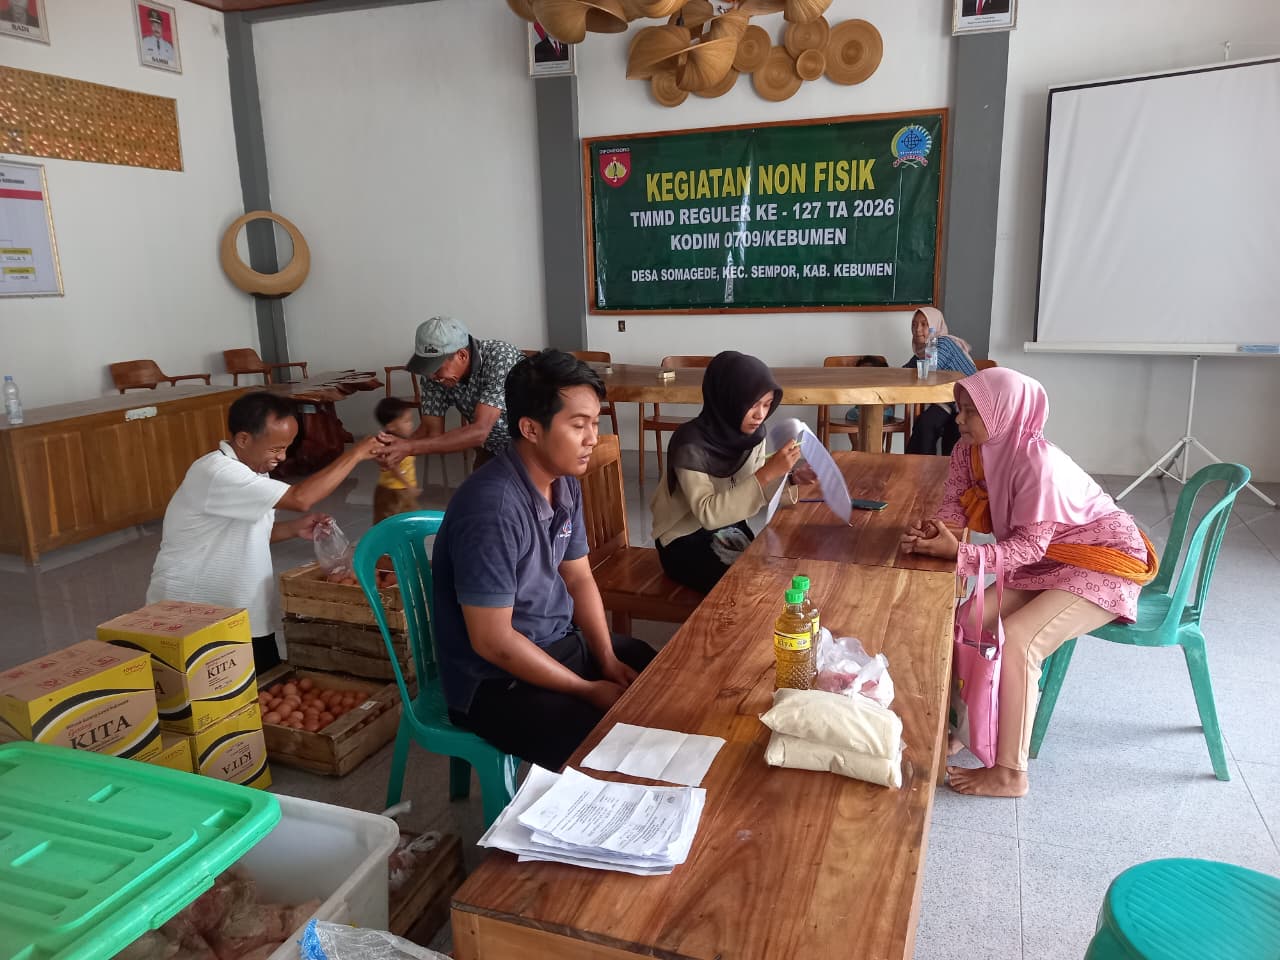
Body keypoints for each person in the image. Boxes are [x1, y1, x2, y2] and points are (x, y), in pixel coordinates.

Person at [900, 368, 1157, 799]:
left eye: (970, 412)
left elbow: (1027, 549)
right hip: (1050, 560)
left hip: (1103, 563)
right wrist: (935, 535)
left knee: (1019, 641)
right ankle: (966, 727)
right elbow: (953, 510)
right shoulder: (969, 450)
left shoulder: (1038, 463)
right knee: (967, 618)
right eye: (960, 409)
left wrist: (959, 554)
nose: (958, 419)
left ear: (1003, 413)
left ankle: (1010, 773)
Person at [431, 350, 656, 769]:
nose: (592, 438)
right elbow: (493, 642)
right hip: (495, 680)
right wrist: (586, 689)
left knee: (652, 669)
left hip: (555, 643)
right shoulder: (493, 509)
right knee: (604, 745)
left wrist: (606, 660)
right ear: (531, 429)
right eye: (578, 425)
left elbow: (579, 579)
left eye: (595, 423)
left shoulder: (563, 483)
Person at [148, 392, 385, 673]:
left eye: (286, 448)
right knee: (212, 693)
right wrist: (355, 454)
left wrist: (293, 529)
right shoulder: (217, 472)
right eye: (275, 449)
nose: (282, 457)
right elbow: (300, 498)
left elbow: (245, 533)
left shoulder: (253, 469)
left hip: (242, 610)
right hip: (196, 611)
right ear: (244, 439)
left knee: (263, 683)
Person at [650, 351, 816, 595]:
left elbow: (753, 483)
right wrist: (767, 473)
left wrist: (790, 477)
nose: (760, 415)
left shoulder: (753, 436)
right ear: (728, 399)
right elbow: (708, 513)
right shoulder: (690, 444)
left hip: (729, 526)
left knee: (775, 570)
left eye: (767, 404)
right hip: (683, 539)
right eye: (753, 405)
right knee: (747, 586)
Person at [378, 316, 524, 473]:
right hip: (494, 447)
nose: (432, 376)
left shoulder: (499, 358)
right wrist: (396, 446)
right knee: (479, 487)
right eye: (427, 367)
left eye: (436, 368)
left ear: (462, 355)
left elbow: (480, 431)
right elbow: (430, 431)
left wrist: (409, 447)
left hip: (530, 444)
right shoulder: (433, 377)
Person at [903, 307, 977, 456]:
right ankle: (919, 467)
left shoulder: (943, 343)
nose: (917, 329)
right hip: (949, 400)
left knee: (931, 424)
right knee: (926, 424)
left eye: (924, 324)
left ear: (934, 325)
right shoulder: (923, 351)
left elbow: (928, 372)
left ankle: (924, 466)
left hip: (971, 402)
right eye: (914, 324)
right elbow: (905, 372)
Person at [372, 397, 422, 524]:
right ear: (391, 426)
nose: (411, 424)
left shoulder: (403, 441)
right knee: (400, 522)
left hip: (398, 489)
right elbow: (394, 467)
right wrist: (409, 486)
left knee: (400, 521)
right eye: (406, 421)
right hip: (396, 491)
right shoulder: (392, 444)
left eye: (411, 420)